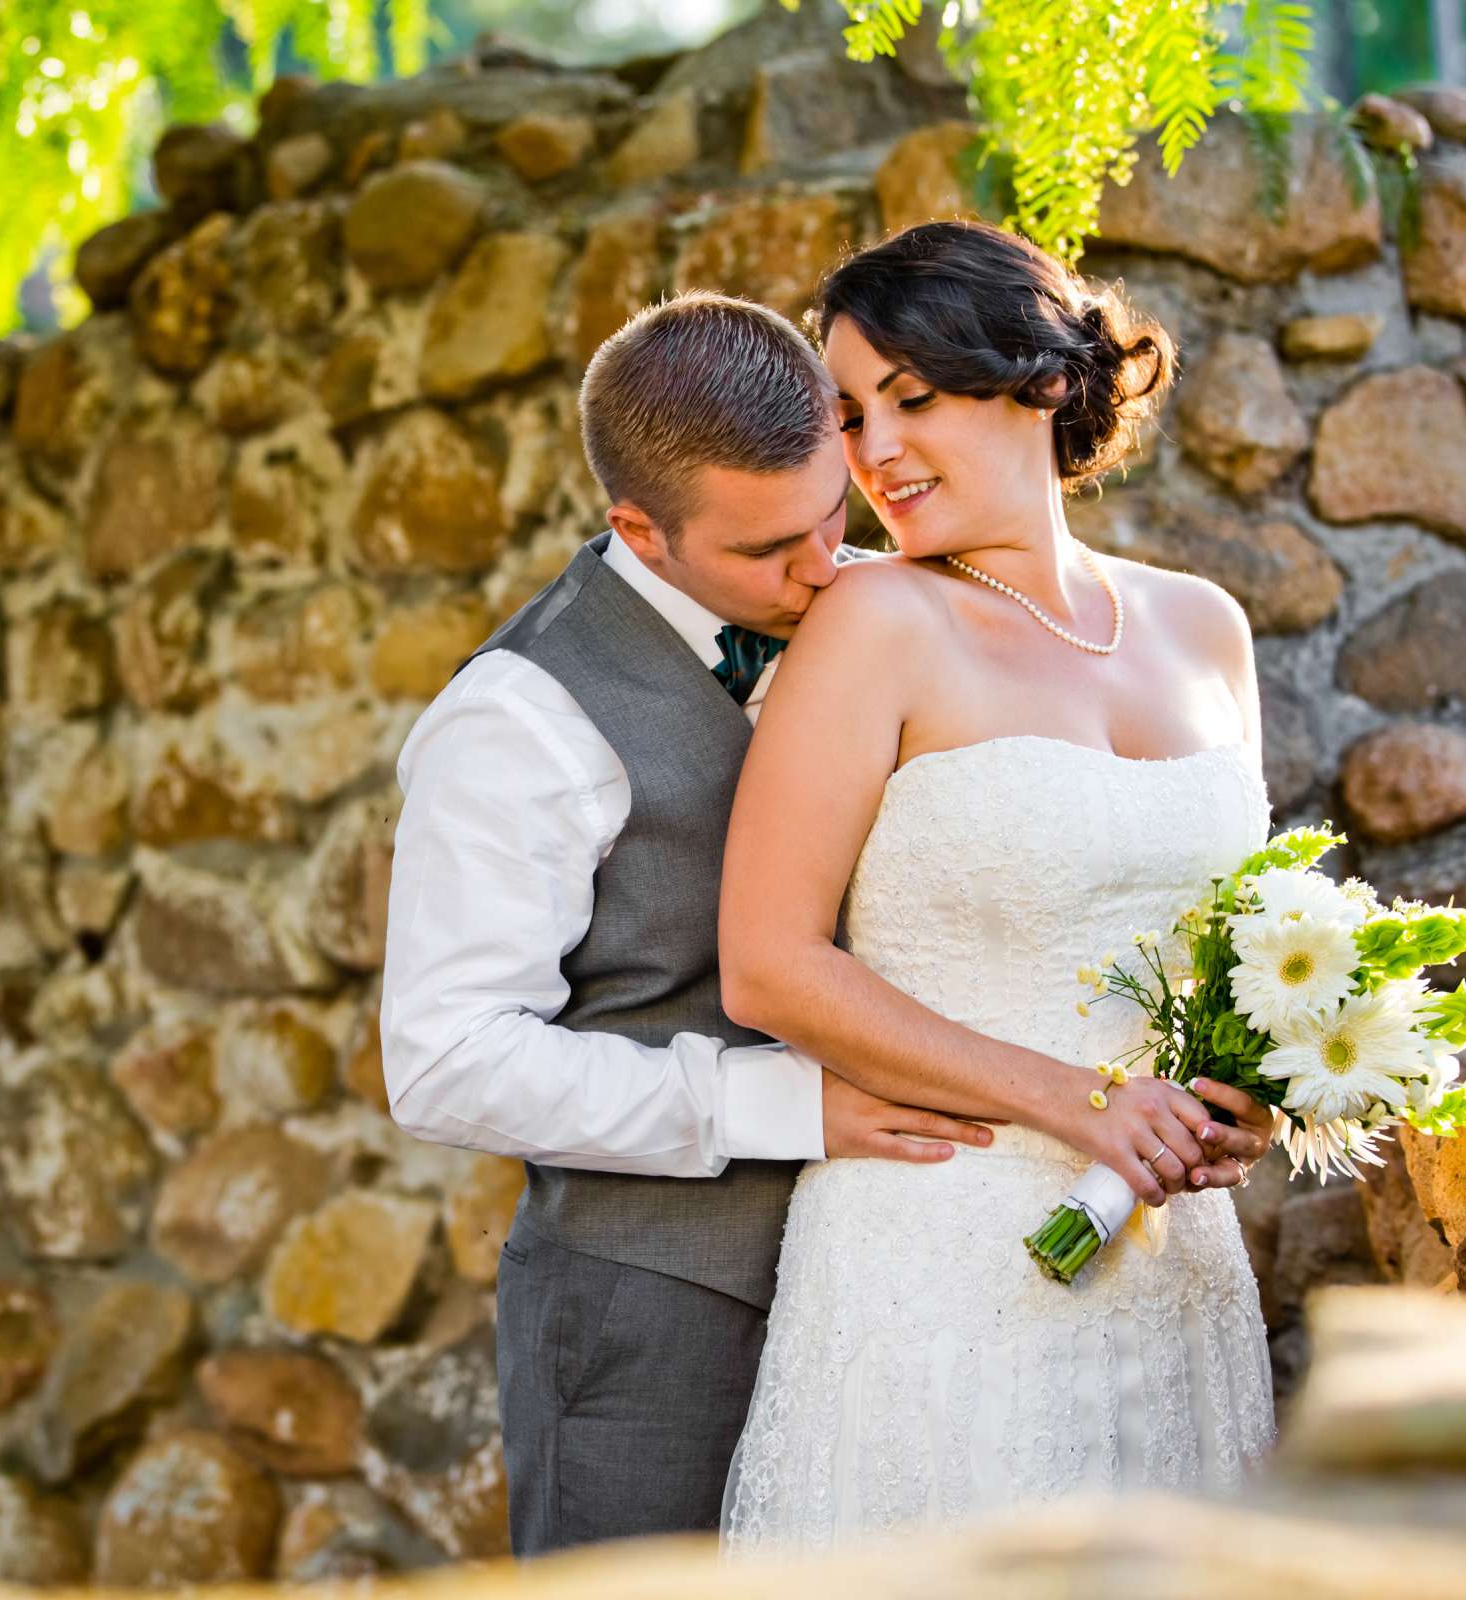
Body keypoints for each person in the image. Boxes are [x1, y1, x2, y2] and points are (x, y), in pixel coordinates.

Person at [380, 285, 1270, 1556]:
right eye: (766, 554)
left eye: (828, 515)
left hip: (930, 1265)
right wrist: (779, 1104)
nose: (824, 569)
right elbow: (446, 1060)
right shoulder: (516, 721)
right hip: (659, 1303)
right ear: (639, 526)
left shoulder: (880, 603)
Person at [715, 220, 1279, 1550]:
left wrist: (1246, 1089)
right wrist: (1078, 1102)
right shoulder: (877, 623)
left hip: (1174, 1256)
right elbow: (771, 963)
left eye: (911, 398)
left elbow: (1243, 946)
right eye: (851, 419)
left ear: (1037, 378)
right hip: (942, 1256)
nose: (877, 453)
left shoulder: (1205, 627)